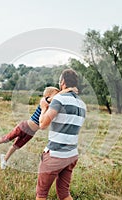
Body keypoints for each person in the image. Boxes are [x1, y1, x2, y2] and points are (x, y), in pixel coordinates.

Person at [0, 86, 64, 169]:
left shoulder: (53, 106)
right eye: (55, 94)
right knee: (6, 139)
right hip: (24, 126)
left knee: (16, 146)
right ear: (48, 95)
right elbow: (54, 99)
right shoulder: (45, 100)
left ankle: (4, 159)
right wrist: (65, 91)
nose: (57, 96)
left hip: (32, 132)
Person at [36, 69, 86, 200]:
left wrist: (43, 108)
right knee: (64, 194)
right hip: (71, 154)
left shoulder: (59, 99)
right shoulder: (82, 104)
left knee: (41, 194)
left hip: (55, 155)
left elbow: (42, 125)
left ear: (63, 82)